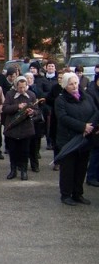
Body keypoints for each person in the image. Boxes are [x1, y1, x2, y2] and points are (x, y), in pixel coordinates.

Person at [55, 73, 99, 206]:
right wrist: (82, 126)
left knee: (81, 167)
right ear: (65, 85)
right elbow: (63, 118)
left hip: (85, 138)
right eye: (71, 84)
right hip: (69, 139)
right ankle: (66, 194)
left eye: (76, 83)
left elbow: (96, 111)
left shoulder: (86, 97)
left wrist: (89, 126)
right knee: (68, 168)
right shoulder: (61, 100)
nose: (74, 86)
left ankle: (78, 193)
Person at [2, 76, 38, 180]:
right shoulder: (10, 94)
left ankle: (24, 171)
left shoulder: (31, 95)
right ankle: (13, 170)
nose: (22, 89)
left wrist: (32, 112)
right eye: (20, 87)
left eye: (24, 87)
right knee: (13, 151)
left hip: (26, 128)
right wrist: (17, 106)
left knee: (25, 151)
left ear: (27, 86)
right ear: (16, 86)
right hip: (12, 128)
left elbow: (37, 110)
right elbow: (5, 108)